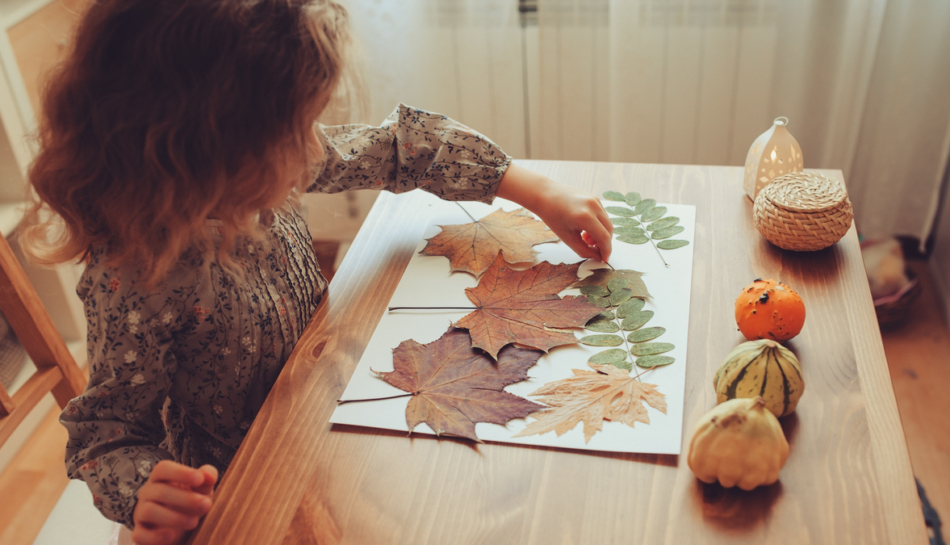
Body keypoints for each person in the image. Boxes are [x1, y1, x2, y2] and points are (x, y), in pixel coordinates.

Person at [21, 1, 613, 544]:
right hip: (244, 480)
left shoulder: (260, 161)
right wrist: (146, 491)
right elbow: (104, 434)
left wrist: (533, 188)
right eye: (293, 131)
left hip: (330, 404)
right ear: (204, 144)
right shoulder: (132, 274)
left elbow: (400, 147)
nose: (311, 149)